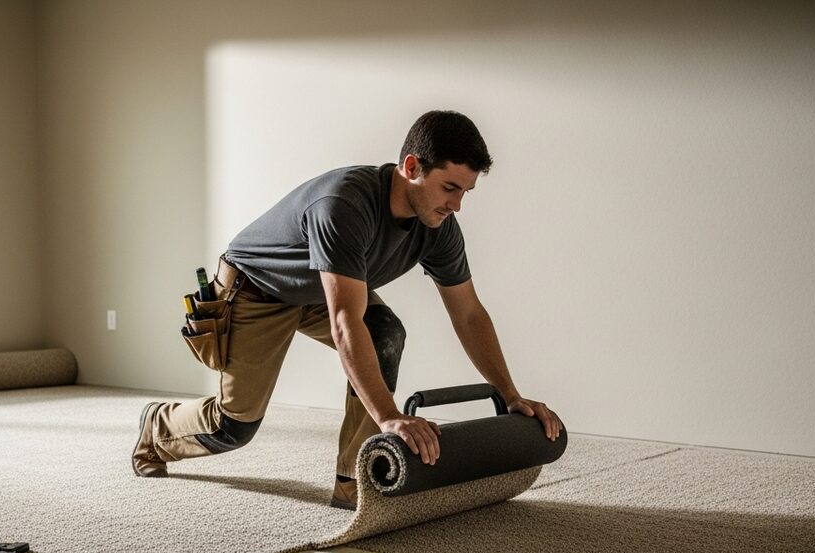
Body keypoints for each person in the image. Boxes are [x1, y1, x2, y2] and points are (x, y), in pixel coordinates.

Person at [132, 110, 562, 509]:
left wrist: (510, 395)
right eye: (449, 188)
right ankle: (158, 428)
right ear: (411, 168)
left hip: (324, 290)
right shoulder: (345, 204)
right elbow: (344, 321)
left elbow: (468, 313)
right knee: (233, 427)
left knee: (385, 331)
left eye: (465, 192)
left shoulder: (438, 227)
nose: (456, 205)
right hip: (258, 291)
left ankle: (354, 480)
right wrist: (391, 417)